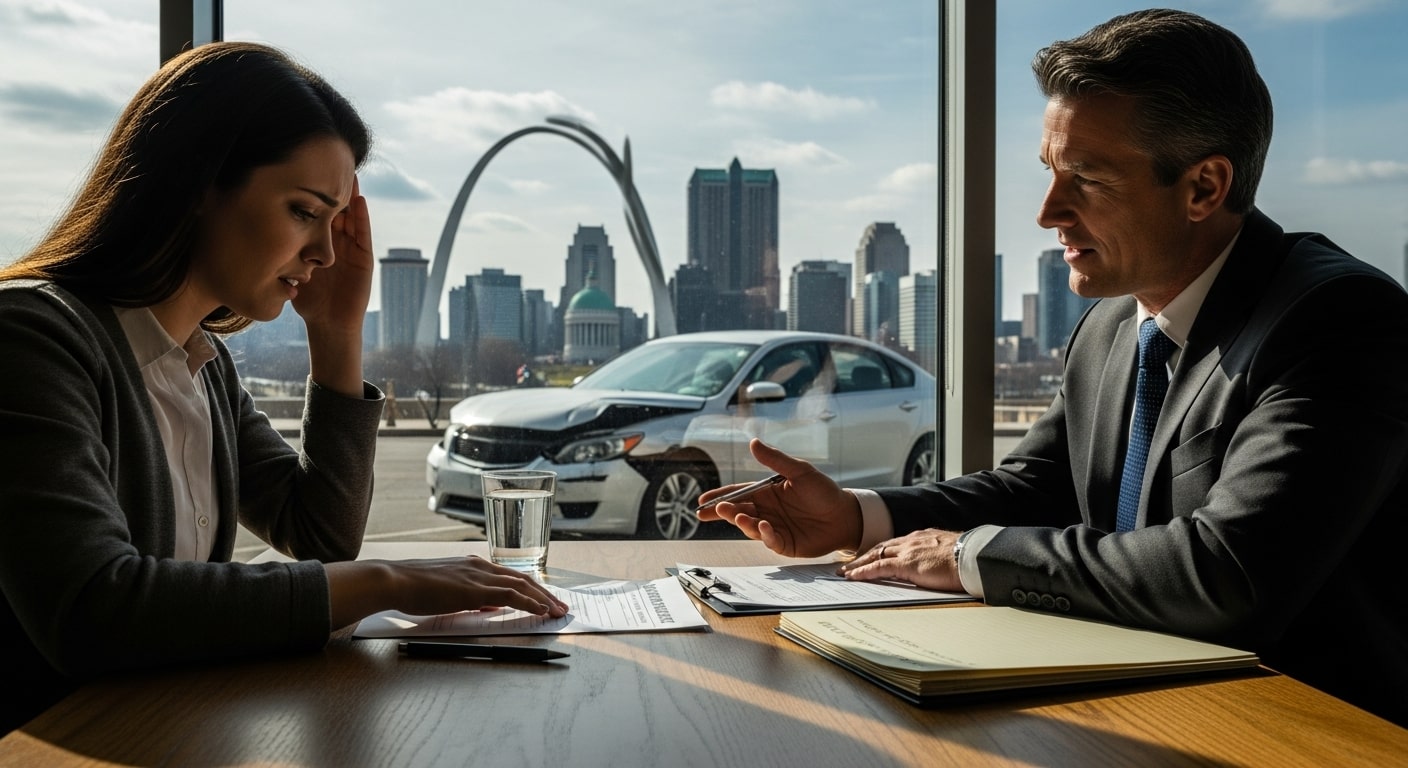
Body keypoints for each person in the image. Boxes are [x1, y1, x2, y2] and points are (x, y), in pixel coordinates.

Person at [699, 9, 1408, 727]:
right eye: (1049, 173)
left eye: (1086, 179)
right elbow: (1037, 487)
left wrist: (970, 556)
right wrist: (858, 516)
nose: (1047, 212)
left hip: (1302, 724)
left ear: (1203, 187)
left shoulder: (1340, 319)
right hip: (1133, 705)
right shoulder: (1107, 325)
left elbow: (1228, 573)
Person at [0, 42, 567, 733]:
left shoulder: (204, 369)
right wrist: (391, 582)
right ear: (197, 182)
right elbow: (92, 609)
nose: (327, 253)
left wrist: (336, 334)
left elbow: (319, 534)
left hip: (168, 732)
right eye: (304, 212)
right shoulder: (30, 338)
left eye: (335, 223)